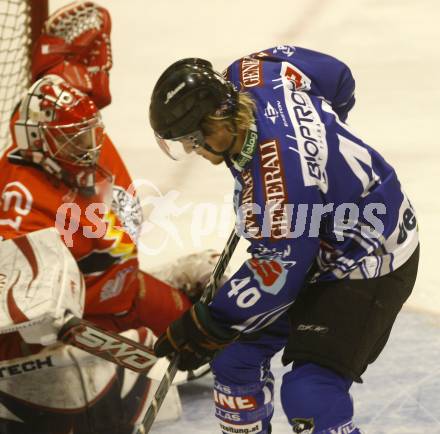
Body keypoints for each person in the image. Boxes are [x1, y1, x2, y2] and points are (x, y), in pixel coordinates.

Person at [149, 46, 420, 434]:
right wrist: (322, 148)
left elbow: (276, 273)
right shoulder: (251, 72)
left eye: (192, 140)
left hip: (370, 257)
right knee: (232, 364)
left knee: (310, 392)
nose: (192, 150)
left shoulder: (280, 185)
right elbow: (338, 77)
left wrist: (207, 322)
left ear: (218, 122)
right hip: (316, 244)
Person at [0, 3, 217, 433]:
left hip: (124, 289)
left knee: (212, 328)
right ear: (42, 143)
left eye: (90, 134)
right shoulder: (20, 197)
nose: (89, 147)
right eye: (77, 140)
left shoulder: (66, 137)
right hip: (84, 322)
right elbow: (20, 301)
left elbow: (68, 96)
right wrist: (57, 329)